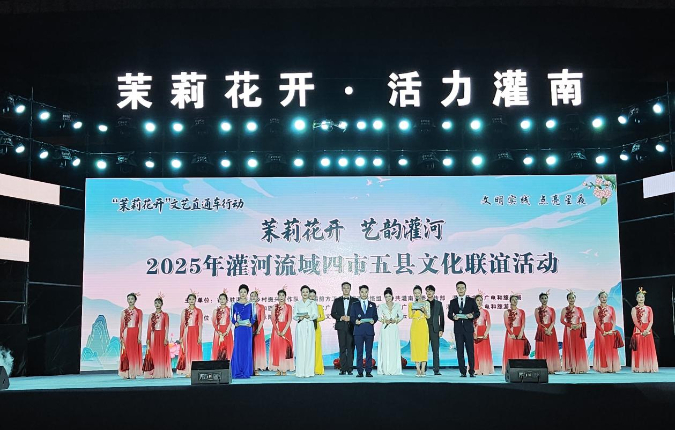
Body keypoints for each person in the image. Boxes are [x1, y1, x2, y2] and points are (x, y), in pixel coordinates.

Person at [448, 281, 480, 377]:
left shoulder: (471, 300)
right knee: (460, 351)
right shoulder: (453, 302)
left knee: (470, 351)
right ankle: (462, 371)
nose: (460, 290)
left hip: (468, 329)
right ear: (456, 289)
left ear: (465, 289)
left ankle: (472, 371)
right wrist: (453, 317)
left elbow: (477, 312)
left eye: (462, 288)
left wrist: (472, 316)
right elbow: (449, 314)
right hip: (458, 330)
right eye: (459, 288)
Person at [330, 281, 359, 375]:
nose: (346, 289)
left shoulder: (355, 300)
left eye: (347, 288)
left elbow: (358, 313)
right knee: (342, 347)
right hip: (341, 326)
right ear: (342, 289)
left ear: (350, 289)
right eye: (344, 288)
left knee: (351, 348)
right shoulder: (337, 300)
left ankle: (350, 369)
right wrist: (341, 317)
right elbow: (333, 313)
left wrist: (351, 318)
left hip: (352, 327)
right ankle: (342, 368)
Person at [350, 284, 378, 377]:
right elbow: (352, 317)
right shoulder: (355, 305)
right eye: (362, 292)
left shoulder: (372, 305)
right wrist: (355, 321)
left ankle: (368, 371)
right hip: (358, 331)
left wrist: (374, 320)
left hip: (369, 331)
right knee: (359, 352)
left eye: (366, 292)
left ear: (368, 292)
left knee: (369, 352)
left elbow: (375, 316)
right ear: (359, 293)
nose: (364, 294)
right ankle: (360, 371)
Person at [560, 290, 589, 374]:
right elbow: (562, 320)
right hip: (569, 330)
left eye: (573, 298)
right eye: (570, 298)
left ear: (575, 299)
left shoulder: (579, 309)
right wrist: (570, 325)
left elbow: (583, 320)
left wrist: (579, 325)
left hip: (578, 330)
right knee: (570, 347)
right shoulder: (564, 309)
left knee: (579, 348)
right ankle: (572, 367)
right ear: (567, 299)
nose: (571, 299)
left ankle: (580, 367)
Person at [231, 284, 256, 379]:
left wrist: (251, 323)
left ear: (247, 293)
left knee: (247, 349)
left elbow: (254, 316)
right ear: (239, 293)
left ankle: (246, 371)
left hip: (247, 329)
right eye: (241, 292)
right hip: (239, 330)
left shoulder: (251, 304)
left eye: (244, 292)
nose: (243, 294)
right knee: (238, 349)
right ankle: (237, 370)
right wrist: (235, 323)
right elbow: (231, 317)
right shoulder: (234, 304)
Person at [593, 290, 621, 373]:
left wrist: (612, 329)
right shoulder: (596, 309)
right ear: (599, 298)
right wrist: (602, 331)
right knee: (602, 347)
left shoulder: (611, 308)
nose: (604, 298)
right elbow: (596, 321)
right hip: (600, 330)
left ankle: (611, 366)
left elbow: (614, 320)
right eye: (602, 297)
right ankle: (603, 367)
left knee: (611, 347)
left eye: (605, 297)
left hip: (610, 329)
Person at [631, 287, 658, 373]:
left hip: (648, 329)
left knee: (648, 348)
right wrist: (642, 330)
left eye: (642, 297)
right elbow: (635, 321)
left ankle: (649, 366)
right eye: (639, 297)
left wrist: (647, 330)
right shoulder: (634, 309)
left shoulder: (649, 308)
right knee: (639, 348)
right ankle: (639, 367)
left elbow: (651, 320)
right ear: (636, 298)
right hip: (638, 329)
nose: (641, 298)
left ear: (644, 298)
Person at [294, 285, 318, 378]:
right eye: (303, 292)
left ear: (309, 293)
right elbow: (294, 316)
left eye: (307, 292)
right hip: (300, 326)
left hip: (309, 325)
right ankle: (300, 372)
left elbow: (316, 314)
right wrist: (299, 317)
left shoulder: (312, 303)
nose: (305, 293)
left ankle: (309, 372)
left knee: (309, 347)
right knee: (300, 348)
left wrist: (309, 316)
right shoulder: (297, 303)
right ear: (301, 293)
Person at [144, 295, 172, 379]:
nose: (157, 304)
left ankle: (162, 372)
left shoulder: (165, 315)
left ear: (162, 304)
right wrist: (148, 338)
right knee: (154, 353)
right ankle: (154, 371)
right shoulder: (151, 315)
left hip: (162, 334)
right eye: (155, 303)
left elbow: (167, 327)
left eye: (159, 303)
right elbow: (149, 328)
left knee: (162, 354)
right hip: (153, 335)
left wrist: (166, 338)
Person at [377, 287, 403, 375]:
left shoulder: (397, 305)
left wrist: (396, 320)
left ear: (392, 296)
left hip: (394, 328)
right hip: (385, 328)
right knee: (385, 347)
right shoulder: (381, 306)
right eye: (386, 297)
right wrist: (384, 320)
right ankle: (385, 369)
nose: (388, 298)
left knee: (393, 347)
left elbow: (401, 316)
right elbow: (378, 317)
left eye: (389, 296)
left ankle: (394, 369)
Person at [534, 291, 561, 374]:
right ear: (540, 299)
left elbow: (553, 321)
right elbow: (538, 322)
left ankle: (551, 368)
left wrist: (549, 330)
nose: (544, 300)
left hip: (551, 330)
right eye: (542, 298)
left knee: (550, 349)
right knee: (542, 349)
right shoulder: (537, 310)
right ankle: (543, 368)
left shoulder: (551, 310)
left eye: (545, 298)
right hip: (541, 330)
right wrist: (545, 330)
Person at [177, 293, 203, 377]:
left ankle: (195, 370)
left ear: (195, 300)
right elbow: (182, 325)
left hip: (195, 332)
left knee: (195, 351)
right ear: (187, 300)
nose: (191, 300)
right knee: (187, 351)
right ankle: (188, 370)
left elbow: (200, 324)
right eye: (190, 299)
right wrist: (181, 336)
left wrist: (200, 336)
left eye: (193, 299)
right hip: (187, 332)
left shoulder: (199, 311)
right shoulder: (184, 311)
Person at [269, 289, 294, 375]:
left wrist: (284, 331)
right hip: (276, 329)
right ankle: (278, 369)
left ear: (285, 297)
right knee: (277, 348)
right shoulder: (274, 307)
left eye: (283, 295)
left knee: (285, 349)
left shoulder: (289, 307)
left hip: (286, 329)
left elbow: (289, 320)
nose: (281, 297)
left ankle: (284, 369)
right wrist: (277, 330)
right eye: (279, 295)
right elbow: (273, 320)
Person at [119, 293, 143, 379]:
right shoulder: (124, 312)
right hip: (126, 333)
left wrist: (139, 336)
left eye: (132, 299)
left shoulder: (139, 311)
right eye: (128, 299)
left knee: (134, 353)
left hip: (135, 332)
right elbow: (122, 325)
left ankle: (133, 372)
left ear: (135, 300)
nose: (130, 300)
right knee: (126, 353)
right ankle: (126, 372)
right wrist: (121, 336)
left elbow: (140, 325)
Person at [502, 294, 528, 374]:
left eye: (516, 300)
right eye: (513, 300)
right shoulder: (506, 312)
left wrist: (521, 333)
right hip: (510, 332)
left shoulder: (521, 311)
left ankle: (522, 367)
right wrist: (511, 333)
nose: (515, 301)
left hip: (520, 331)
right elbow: (506, 324)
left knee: (520, 350)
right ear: (510, 301)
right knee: (511, 350)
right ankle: (510, 368)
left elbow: (523, 323)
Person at [409, 285, 430, 377]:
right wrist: (413, 310)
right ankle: (417, 369)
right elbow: (410, 316)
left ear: (421, 293)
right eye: (415, 293)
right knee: (415, 347)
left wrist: (424, 310)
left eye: (418, 293)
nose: (417, 294)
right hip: (415, 326)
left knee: (424, 347)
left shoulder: (426, 303)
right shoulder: (411, 304)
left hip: (423, 326)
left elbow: (428, 316)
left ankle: (423, 369)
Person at [425, 285, 445, 375]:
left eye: (431, 291)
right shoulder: (423, 303)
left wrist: (441, 329)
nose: (429, 293)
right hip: (425, 329)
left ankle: (436, 370)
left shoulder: (439, 304)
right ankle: (423, 369)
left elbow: (442, 317)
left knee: (435, 351)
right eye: (427, 291)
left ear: (434, 292)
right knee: (424, 350)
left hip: (435, 329)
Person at [473, 293, 494, 375]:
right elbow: (471, 323)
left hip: (483, 331)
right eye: (477, 300)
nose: (479, 302)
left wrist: (486, 333)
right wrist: (473, 333)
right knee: (475, 351)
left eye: (480, 300)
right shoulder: (472, 312)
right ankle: (476, 369)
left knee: (484, 351)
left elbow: (489, 324)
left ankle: (484, 369)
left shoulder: (485, 312)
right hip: (475, 332)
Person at [211, 291, 233, 361]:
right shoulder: (215, 311)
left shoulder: (230, 310)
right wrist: (218, 331)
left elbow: (231, 321)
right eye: (220, 299)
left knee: (228, 348)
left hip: (227, 331)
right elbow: (214, 322)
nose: (222, 300)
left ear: (226, 300)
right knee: (218, 348)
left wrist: (227, 331)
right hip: (218, 331)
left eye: (224, 299)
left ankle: (228, 364)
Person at [309, 289, 325, 375]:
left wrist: (314, 319)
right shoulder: (305, 306)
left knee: (317, 349)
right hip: (307, 329)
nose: (312, 298)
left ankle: (318, 369)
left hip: (316, 329)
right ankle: (308, 369)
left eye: (313, 296)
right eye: (310, 296)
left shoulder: (319, 306)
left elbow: (323, 317)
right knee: (308, 349)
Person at [251, 290, 267, 375]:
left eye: (255, 296)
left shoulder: (261, 307)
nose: (253, 297)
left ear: (257, 298)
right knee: (250, 349)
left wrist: (258, 329)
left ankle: (256, 369)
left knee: (257, 349)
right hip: (249, 328)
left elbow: (262, 319)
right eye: (251, 296)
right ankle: (250, 368)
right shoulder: (248, 306)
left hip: (258, 329)